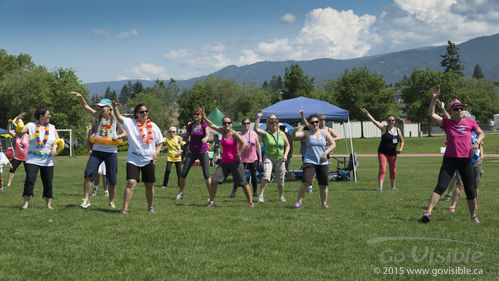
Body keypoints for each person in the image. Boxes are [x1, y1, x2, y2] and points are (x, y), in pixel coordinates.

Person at [421, 85, 484, 223]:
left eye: (461, 108)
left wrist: (477, 142)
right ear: (452, 111)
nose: (460, 110)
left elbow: (481, 133)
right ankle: (428, 213)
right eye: (456, 109)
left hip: (466, 160)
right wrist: (434, 98)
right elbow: (431, 114)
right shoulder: (447, 123)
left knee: (469, 190)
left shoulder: (470, 122)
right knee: (441, 186)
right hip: (450, 160)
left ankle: (473, 215)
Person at [71, 92, 126, 209]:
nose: (100, 109)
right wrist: (80, 97)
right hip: (97, 150)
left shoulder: (115, 119)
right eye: (99, 107)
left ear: (109, 108)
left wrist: (118, 137)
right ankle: (86, 199)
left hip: (111, 152)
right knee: (88, 173)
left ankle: (111, 201)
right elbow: (86, 107)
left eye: (102, 107)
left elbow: (124, 133)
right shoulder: (98, 117)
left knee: (112, 178)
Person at [112, 101, 163, 213]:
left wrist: (156, 153)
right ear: (136, 114)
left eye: (146, 111)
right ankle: (125, 208)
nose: (144, 113)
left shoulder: (153, 126)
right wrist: (115, 108)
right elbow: (119, 118)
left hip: (148, 159)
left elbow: (160, 142)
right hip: (133, 158)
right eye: (141, 112)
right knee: (131, 182)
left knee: (149, 184)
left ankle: (150, 207)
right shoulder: (131, 123)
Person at [203, 114, 254, 208]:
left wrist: (239, 154)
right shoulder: (222, 132)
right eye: (224, 123)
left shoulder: (234, 134)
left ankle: (250, 202)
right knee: (214, 181)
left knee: (243, 183)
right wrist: (204, 117)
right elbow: (212, 125)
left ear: (232, 124)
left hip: (235, 163)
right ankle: (211, 202)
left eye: (228, 123)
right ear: (223, 124)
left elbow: (245, 143)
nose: (226, 124)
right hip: (224, 163)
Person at [20, 108, 63, 209]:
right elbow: (20, 132)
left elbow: (58, 141)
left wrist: (54, 148)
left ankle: (48, 205)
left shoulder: (52, 127)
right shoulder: (31, 125)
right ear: (41, 116)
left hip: (48, 161)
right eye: (47, 114)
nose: (49, 116)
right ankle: (26, 203)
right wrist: (18, 121)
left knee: (48, 182)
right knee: (30, 180)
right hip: (32, 159)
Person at [292, 111, 335, 208]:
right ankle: (299, 202)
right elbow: (294, 136)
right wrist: (294, 131)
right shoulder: (307, 133)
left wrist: (325, 153)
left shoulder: (325, 132)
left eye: (316, 122)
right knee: (306, 181)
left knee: (323, 184)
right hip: (309, 161)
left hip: (322, 162)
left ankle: (324, 203)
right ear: (310, 124)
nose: (315, 123)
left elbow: (333, 144)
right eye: (312, 122)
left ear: (319, 122)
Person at [361, 108, 404, 191]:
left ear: (394, 121)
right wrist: (368, 114)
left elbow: (402, 141)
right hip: (383, 152)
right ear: (386, 121)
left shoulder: (398, 130)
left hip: (393, 154)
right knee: (383, 169)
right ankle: (380, 187)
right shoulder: (384, 128)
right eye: (389, 120)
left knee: (393, 170)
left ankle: (393, 187)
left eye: (392, 120)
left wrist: (401, 149)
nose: (391, 122)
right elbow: (374, 121)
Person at [173, 107, 211, 201]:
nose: (195, 116)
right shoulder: (190, 126)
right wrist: (182, 139)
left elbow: (208, 134)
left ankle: (211, 195)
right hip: (192, 152)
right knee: (183, 173)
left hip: (203, 152)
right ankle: (180, 193)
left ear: (201, 116)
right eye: (194, 114)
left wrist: (206, 138)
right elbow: (186, 137)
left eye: (197, 114)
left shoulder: (204, 125)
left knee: (206, 174)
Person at [448, 112, 483, 213]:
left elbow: (481, 146)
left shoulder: (476, 133)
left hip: (475, 161)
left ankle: (474, 203)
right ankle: (453, 206)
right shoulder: (460, 131)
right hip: (463, 161)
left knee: (475, 185)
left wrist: (482, 157)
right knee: (460, 184)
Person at [254, 109, 290, 203]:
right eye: (271, 122)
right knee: (266, 176)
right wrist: (258, 117)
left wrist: (285, 155)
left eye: (276, 122)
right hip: (269, 157)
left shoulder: (282, 134)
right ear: (268, 124)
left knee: (281, 180)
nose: (274, 124)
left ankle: (281, 196)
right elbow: (256, 129)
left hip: (280, 159)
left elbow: (287, 145)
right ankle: (260, 195)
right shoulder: (266, 133)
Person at [302, 114, 341, 193]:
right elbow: (306, 124)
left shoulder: (328, 130)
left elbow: (338, 137)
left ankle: (323, 187)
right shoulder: (315, 128)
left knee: (322, 173)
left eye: (324, 119)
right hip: (312, 154)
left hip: (324, 153)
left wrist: (329, 141)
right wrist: (302, 115)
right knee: (311, 172)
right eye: (321, 120)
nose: (322, 121)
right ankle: (310, 186)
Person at [231, 117, 262, 198]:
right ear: (242, 125)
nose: (246, 125)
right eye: (244, 123)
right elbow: (235, 146)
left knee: (254, 175)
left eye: (248, 123)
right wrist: (236, 155)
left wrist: (260, 158)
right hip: (242, 158)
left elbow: (258, 146)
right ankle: (234, 191)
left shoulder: (254, 134)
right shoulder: (239, 134)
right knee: (238, 175)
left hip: (253, 157)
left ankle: (255, 192)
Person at [6, 113, 29, 187]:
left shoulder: (28, 136)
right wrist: (9, 123)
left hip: (27, 157)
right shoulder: (16, 135)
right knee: (12, 169)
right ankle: (9, 183)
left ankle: (28, 183)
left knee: (29, 171)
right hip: (17, 157)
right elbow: (9, 130)